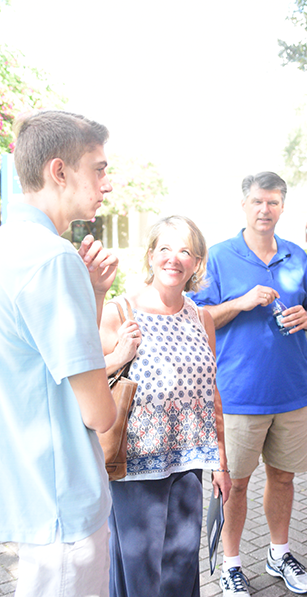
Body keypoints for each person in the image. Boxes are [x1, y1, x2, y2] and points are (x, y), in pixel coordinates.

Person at [190, 171, 307, 596]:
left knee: (283, 479)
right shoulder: (218, 257)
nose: (264, 210)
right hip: (237, 395)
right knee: (235, 483)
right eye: (257, 202)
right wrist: (241, 302)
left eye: (273, 202)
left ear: (283, 206)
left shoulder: (297, 256)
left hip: (293, 393)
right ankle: (231, 565)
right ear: (243, 206)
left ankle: (278, 554)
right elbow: (196, 317)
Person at [0, 110, 118, 597]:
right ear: (59, 171)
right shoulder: (53, 258)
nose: (106, 184)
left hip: (29, 489)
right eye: (99, 168)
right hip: (64, 504)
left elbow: (46, 364)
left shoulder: (12, 245)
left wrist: (92, 295)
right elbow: (99, 413)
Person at [100, 215, 232, 597]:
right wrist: (120, 354)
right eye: (165, 249)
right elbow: (83, 377)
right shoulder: (119, 312)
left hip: (190, 466)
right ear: (150, 256)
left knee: (180, 571)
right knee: (140, 577)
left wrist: (221, 463)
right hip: (135, 468)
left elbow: (213, 392)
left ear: (197, 262)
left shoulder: (200, 316)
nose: (174, 259)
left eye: (185, 251)